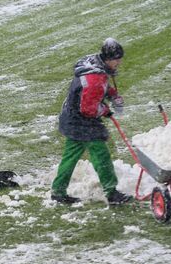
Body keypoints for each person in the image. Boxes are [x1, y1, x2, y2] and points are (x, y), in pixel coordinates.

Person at [50, 38, 132, 206]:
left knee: (70, 157)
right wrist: (106, 110)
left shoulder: (96, 66)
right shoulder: (95, 77)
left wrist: (113, 95)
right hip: (82, 122)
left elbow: (101, 87)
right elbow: (88, 108)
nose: (119, 62)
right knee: (101, 156)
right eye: (117, 59)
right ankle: (112, 192)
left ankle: (58, 191)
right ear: (108, 59)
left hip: (72, 119)